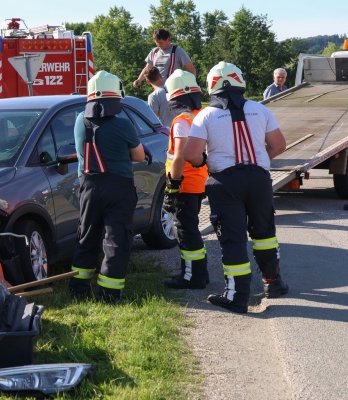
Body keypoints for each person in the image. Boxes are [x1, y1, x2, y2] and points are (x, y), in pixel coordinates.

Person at [183, 61, 289, 313]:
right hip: (259, 178)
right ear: (240, 83)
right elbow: (279, 144)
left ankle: (237, 296)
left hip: (225, 182)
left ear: (211, 87)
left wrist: (205, 161)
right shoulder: (259, 109)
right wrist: (258, 161)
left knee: (233, 238)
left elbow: (190, 154)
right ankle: (273, 283)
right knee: (264, 233)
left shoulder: (207, 115)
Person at [68, 71, 153, 303]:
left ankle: (78, 288)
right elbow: (137, 156)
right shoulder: (123, 125)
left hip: (88, 186)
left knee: (86, 236)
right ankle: (109, 293)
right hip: (118, 187)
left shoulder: (79, 121)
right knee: (116, 239)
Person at [162, 69, 209, 289]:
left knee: (186, 231)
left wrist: (172, 185)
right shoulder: (204, 114)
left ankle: (192, 277)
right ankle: (198, 273)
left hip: (185, 184)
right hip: (200, 181)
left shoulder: (182, 121)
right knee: (191, 229)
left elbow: (179, 155)